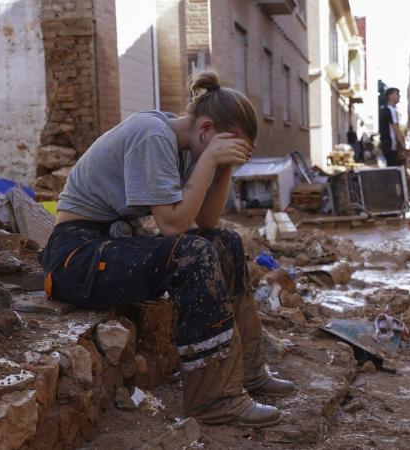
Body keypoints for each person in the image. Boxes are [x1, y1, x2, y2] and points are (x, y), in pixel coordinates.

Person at [38, 70, 295, 428]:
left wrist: (222, 169)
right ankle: (214, 400)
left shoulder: (188, 146)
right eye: (227, 144)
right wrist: (208, 160)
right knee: (192, 254)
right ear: (206, 130)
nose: (227, 153)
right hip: (75, 256)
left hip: (113, 243)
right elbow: (172, 226)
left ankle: (249, 372)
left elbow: (206, 221)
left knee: (224, 242)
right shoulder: (152, 135)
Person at [378, 87, 406, 167]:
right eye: (397, 94)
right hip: (390, 145)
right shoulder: (391, 110)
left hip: (386, 144)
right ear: (390, 96)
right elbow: (396, 129)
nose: (399, 96)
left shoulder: (385, 110)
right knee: (394, 169)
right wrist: (403, 146)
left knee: (391, 168)